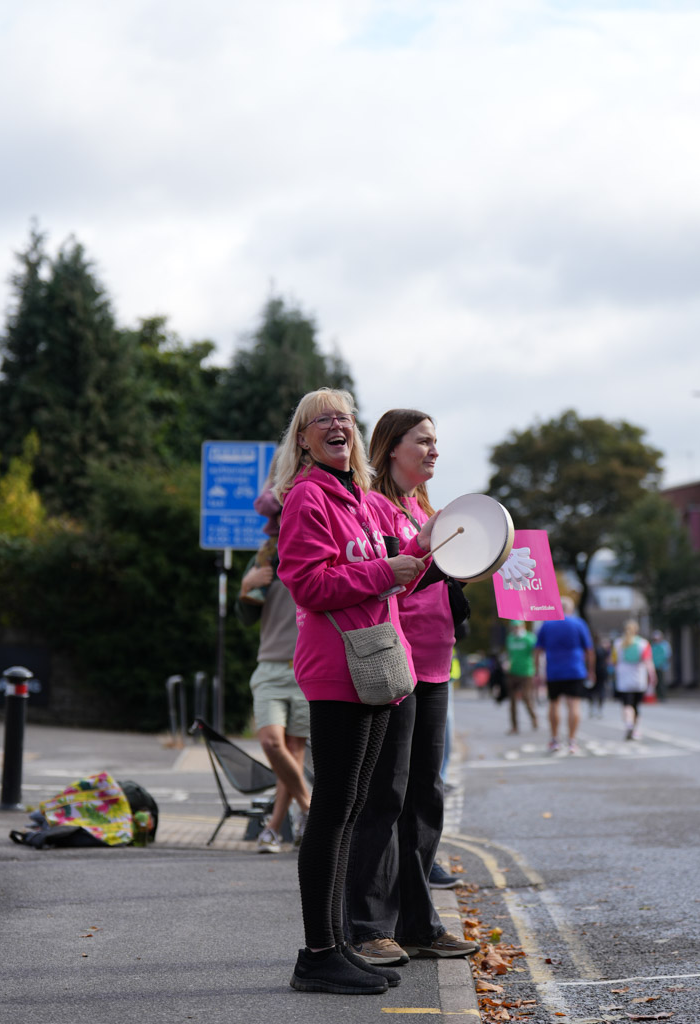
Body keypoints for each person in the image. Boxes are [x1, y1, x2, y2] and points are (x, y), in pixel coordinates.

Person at [274, 388, 437, 996]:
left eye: (344, 416)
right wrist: (382, 573)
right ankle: (317, 954)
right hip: (338, 669)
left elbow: (388, 573)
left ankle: (338, 944)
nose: (336, 425)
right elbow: (311, 586)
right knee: (333, 811)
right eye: (322, 420)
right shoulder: (307, 499)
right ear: (303, 439)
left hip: (374, 666)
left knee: (351, 810)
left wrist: (423, 552)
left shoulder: (363, 500)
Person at [345, 408, 478, 961]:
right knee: (388, 795)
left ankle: (419, 923)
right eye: (422, 441)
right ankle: (368, 925)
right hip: (394, 662)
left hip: (435, 663)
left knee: (427, 795)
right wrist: (426, 550)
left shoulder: (426, 507)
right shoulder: (372, 506)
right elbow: (382, 582)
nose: (433, 451)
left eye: (436, 442)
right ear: (391, 447)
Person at [235, 464, 311, 854]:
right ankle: (308, 807)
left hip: (306, 668)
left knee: (294, 753)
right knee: (271, 742)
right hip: (270, 666)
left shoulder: (317, 553)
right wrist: (247, 587)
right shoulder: (264, 558)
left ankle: (272, 829)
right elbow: (245, 616)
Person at [534, 596, 594, 755]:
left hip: (554, 670)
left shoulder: (547, 624)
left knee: (554, 704)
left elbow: (537, 650)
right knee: (574, 704)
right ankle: (572, 741)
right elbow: (589, 650)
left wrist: (536, 672)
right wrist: (591, 670)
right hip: (575, 669)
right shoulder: (578, 623)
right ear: (571, 609)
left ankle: (554, 739)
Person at [612, 620, 656, 741]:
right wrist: (652, 676)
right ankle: (635, 730)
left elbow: (614, 662)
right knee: (636, 706)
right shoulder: (643, 643)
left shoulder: (618, 643)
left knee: (627, 705)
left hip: (624, 679)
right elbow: (648, 662)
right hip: (639, 678)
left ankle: (628, 724)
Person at [504, 621, 539, 734]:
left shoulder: (529, 639)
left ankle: (534, 718)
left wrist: (536, 670)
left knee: (526, 697)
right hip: (513, 671)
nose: (516, 629)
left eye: (517, 627)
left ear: (523, 627)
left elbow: (535, 653)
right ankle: (514, 726)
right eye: (513, 627)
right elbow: (509, 654)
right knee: (512, 700)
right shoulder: (510, 639)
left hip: (526, 671)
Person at [589, 635, 612, 718]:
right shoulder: (603, 650)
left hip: (595, 671)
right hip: (602, 671)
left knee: (593, 690)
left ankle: (592, 708)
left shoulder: (593, 649)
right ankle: (599, 709)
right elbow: (608, 661)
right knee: (601, 689)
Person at [651, 630, 673, 700]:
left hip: (662, 666)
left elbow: (668, 655)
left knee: (661, 681)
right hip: (653, 666)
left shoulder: (664, 645)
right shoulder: (653, 645)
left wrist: (665, 664)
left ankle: (663, 696)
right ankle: (657, 695)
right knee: (656, 682)